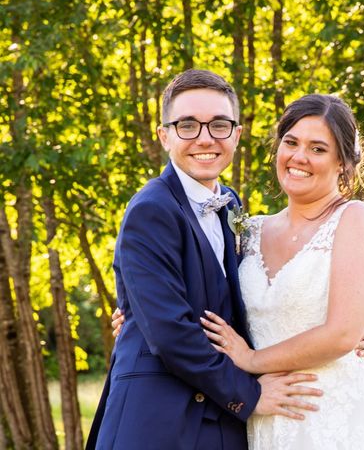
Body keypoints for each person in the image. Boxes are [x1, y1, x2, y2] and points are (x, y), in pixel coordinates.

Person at [86, 70, 332, 450]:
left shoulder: (231, 205)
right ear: (164, 134)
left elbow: (259, 294)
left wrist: (342, 326)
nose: (205, 138)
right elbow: (170, 333)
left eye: (219, 125)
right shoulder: (150, 210)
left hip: (222, 427)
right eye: (187, 125)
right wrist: (248, 395)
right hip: (159, 424)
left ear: (236, 134)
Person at [198, 94, 364, 449]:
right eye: (291, 142)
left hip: (335, 414)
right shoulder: (250, 231)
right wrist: (136, 316)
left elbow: (342, 335)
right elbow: (204, 293)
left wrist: (252, 359)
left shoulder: (353, 219)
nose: (299, 157)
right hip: (266, 415)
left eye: (318, 149)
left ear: (342, 163)